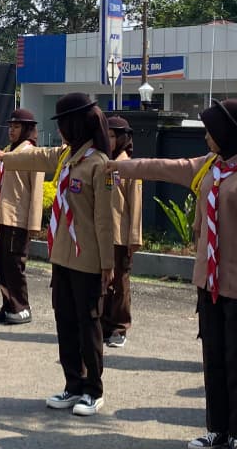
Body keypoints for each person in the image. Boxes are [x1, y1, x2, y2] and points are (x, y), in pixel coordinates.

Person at [108, 99, 237, 448]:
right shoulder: (208, 167)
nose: (207, 139)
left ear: (229, 134)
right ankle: (216, 429)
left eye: (212, 133)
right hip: (208, 279)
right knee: (213, 355)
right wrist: (118, 167)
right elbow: (162, 166)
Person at [0, 92, 115, 417]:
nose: (60, 131)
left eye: (63, 124)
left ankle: (94, 389)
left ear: (76, 125)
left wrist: (108, 264)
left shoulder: (99, 165)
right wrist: (1, 158)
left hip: (88, 260)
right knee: (65, 321)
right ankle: (72, 384)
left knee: (87, 323)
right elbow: (35, 158)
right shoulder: (67, 157)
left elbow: (105, 222)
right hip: (62, 257)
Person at [0, 108, 44, 326]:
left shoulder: (31, 152)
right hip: (2, 216)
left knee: (14, 264)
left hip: (17, 218)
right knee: (1, 264)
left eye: (16, 126)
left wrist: (33, 223)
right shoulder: (6, 150)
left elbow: (37, 190)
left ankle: (21, 307)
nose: (11, 130)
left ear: (27, 129)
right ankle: (8, 304)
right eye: (10, 126)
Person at [102, 116, 143, 348]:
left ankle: (120, 327)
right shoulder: (105, 163)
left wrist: (134, 238)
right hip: (104, 234)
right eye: (106, 135)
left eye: (112, 136)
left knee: (120, 283)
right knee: (103, 283)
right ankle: (105, 325)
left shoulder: (128, 166)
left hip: (121, 235)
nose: (108, 140)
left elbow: (135, 205)